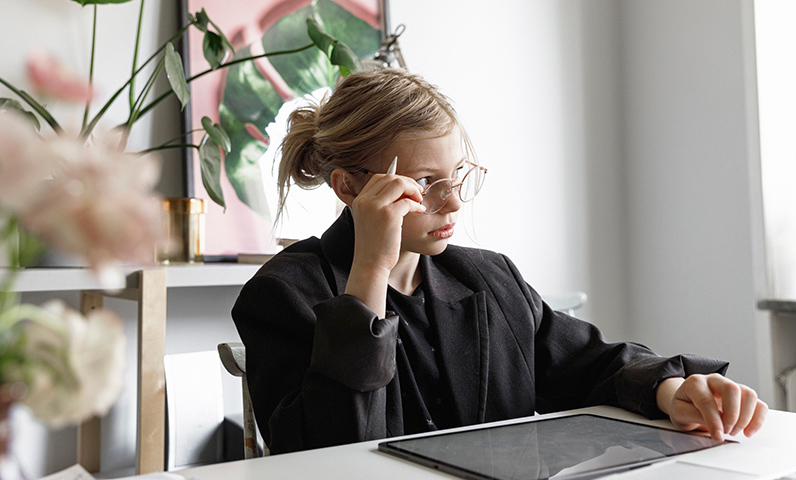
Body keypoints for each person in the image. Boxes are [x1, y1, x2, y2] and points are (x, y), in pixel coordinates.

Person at [231, 68, 767, 455]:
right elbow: (328, 451)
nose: (454, 201)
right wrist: (370, 270)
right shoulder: (283, 292)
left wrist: (673, 390)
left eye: (458, 176)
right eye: (422, 183)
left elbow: (595, 363)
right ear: (349, 187)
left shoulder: (488, 277)